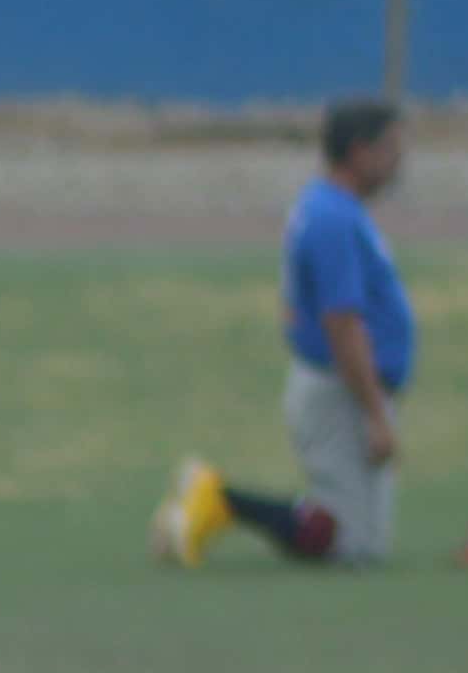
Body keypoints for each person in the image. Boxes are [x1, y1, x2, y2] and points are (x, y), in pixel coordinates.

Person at [159, 98, 408, 569]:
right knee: (348, 547)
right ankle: (219, 499)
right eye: (391, 148)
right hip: (341, 389)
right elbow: (342, 322)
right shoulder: (333, 218)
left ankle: (215, 500)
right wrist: (376, 412)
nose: (399, 161)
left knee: (363, 543)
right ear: (360, 152)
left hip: (341, 386)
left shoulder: (328, 207)